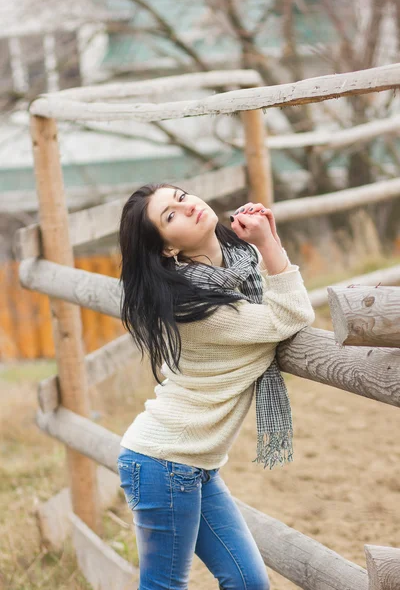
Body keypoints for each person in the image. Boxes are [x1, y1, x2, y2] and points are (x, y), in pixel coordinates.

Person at [117, 183, 315, 590]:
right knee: (164, 585)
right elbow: (290, 315)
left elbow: (275, 296)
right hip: (165, 461)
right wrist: (268, 243)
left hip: (195, 464)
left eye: (183, 196)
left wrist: (265, 240)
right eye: (170, 215)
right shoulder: (192, 306)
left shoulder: (238, 267)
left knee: (248, 584)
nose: (187, 208)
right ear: (167, 249)